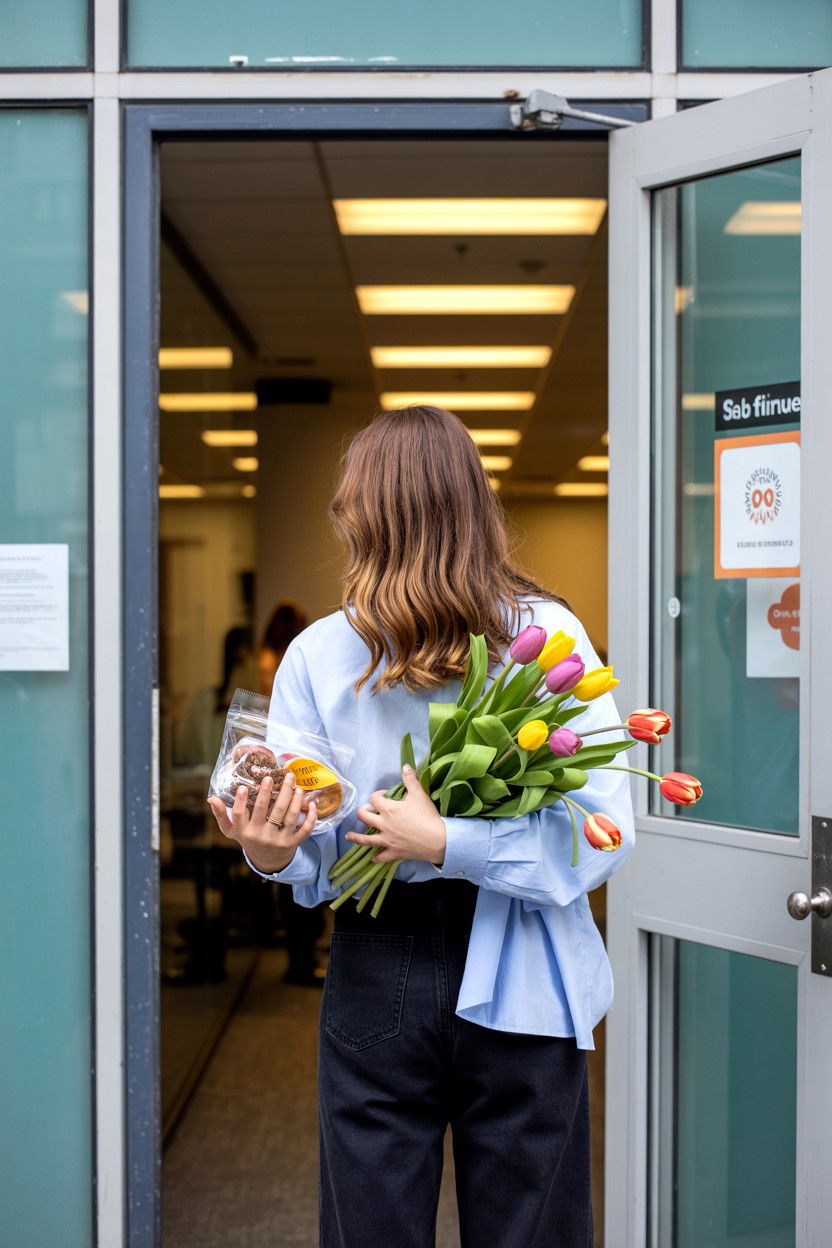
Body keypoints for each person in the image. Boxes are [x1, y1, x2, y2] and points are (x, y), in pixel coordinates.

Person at [208, 404, 635, 1248]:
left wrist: (446, 841)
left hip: (511, 950)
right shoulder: (321, 655)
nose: (340, 519)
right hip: (394, 953)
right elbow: (312, 848)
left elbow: (603, 831)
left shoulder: (544, 639)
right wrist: (272, 850)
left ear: (375, 515)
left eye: (348, 503)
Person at [258, 598, 327, 985]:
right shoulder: (303, 655)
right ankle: (302, 956)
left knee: (287, 847)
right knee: (305, 839)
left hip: (274, 756)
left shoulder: (270, 656)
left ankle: (295, 955)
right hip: (298, 760)